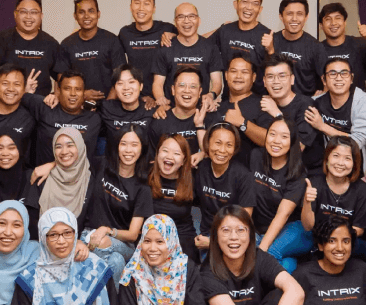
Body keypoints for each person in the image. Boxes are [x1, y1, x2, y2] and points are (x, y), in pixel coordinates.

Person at [82, 125, 153, 285]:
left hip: (123, 243)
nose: (128, 150)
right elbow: (72, 163)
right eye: (124, 144)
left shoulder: (142, 188)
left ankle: (84, 294)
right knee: (116, 261)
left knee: (105, 244)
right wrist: (49, 165)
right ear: (116, 146)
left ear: (142, 148)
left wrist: (107, 231)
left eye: (134, 145)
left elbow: (133, 234)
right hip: (89, 234)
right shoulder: (101, 165)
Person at [302, 136, 366, 269]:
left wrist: (336, 241)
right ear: (327, 159)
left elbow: (360, 229)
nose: (340, 163)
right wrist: (307, 202)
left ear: (354, 164)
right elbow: (307, 226)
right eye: (336, 156)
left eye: (347, 158)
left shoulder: (361, 189)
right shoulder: (314, 183)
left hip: (350, 242)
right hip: (317, 240)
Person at [249, 118, 308, 273]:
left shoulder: (298, 172)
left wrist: (262, 248)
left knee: (269, 253)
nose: (276, 141)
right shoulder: (256, 156)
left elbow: (283, 214)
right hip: (260, 227)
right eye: (272, 134)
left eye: (284, 136)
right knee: (286, 264)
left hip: (291, 227)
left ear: (293, 141)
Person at [303, 57, 366, 170]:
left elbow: (356, 143)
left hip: (359, 169)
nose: (338, 78)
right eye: (332, 74)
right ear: (324, 80)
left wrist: (322, 126)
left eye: (344, 73)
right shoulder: (316, 102)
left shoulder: (364, 102)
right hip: (330, 168)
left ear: (351, 78)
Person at [0, 0, 60, 98]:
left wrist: (56, 97)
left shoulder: (51, 43)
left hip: (40, 106)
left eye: (34, 12)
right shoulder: (1, 39)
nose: (28, 17)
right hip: (7, 106)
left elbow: (61, 75)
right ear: (15, 14)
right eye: (23, 12)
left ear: (41, 16)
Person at [193, 122, 256, 253]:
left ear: (235, 149)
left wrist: (213, 243)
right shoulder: (201, 168)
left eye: (229, 145)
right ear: (207, 144)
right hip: (206, 233)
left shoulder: (244, 176)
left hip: (233, 237)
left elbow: (244, 221)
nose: (222, 150)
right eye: (218, 143)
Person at [57, 0, 126, 107]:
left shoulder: (112, 40)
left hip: (109, 106)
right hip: (77, 108)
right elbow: (62, 80)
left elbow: (120, 77)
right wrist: (81, 94)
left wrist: (107, 107)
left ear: (98, 14)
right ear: (75, 16)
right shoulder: (67, 44)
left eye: (91, 11)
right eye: (81, 12)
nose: (86, 16)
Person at [206, 53, 275, 167]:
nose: (238, 76)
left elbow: (270, 141)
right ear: (226, 75)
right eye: (233, 71)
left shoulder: (264, 104)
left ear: (253, 77)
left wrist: (243, 123)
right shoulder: (218, 107)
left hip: (249, 176)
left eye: (244, 72)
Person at [24, 70, 102, 165]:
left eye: (78, 89)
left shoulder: (95, 118)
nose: (73, 93)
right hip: (47, 177)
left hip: (81, 178)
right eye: (67, 88)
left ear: (84, 93)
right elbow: (18, 99)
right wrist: (26, 91)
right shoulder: (45, 107)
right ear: (59, 91)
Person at [151, 3, 223, 105]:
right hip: (172, 111)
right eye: (181, 17)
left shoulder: (211, 48)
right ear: (175, 22)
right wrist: (161, 99)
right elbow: (157, 83)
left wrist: (212, 95)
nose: (186, 21)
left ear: (199, 21)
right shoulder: (165, 49)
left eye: (191, 16)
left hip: (202, 110)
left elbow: (217, 82)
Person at [117, 0, 177, 100]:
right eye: (137, 3)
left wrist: (175, 35)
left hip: (166, 98)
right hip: (138, 98)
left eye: (146, 3)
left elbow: (193, 41)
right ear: (130, 7)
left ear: (154, 8)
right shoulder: (125, 33)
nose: (141, 8)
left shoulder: (167, 28)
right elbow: (110, 52)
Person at [261, 0, 326, 97]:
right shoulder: (270, 41)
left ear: (306, 17)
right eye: (289, 14)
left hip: (305, 107)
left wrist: (320, 98)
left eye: (299, 14)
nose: (294, 19)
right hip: (274, 104)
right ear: (281, 16)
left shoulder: (316, 47)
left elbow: (326, 79)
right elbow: (264, 75)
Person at [27, 128, 93, 230]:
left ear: (80, 147)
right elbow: (31, 220)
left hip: (79, 241)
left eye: (70, 145)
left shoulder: (90, 178)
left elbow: (91, 222)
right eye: (58, 147)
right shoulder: (42, 177)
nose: (64, 152)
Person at [318, 2, 366, 100]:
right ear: (321, 25)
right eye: (328, 19)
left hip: (357, 106)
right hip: (328, 109)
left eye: (338, 18)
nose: (333, 23)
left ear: (345, 22)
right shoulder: (316, 49)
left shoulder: (359, 44)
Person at [210, 0, 270, 95]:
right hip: (228, 100)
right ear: (235, 4)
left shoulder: (267, 36)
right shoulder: (225, 31)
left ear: (260, 9)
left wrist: (271, 50)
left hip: (257, 103)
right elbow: (199, 45)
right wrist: (173, 34)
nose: (249, 7)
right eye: (245, 2)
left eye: (255, 4)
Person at [150, 134, 200, 262]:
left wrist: (203, 153)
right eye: (165, 151)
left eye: (177, 153)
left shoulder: (193, 179)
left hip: (182, 236)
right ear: (157, 154)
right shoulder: (145, 174)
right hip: (151, 236)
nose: (169, 156)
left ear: (184, 160)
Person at [257, 54, 316, 159]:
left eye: (282, 76)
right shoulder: (264, 103)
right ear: (264, 82)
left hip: (304, 170)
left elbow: (299, 148)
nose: (276, 81)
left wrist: (277, 114)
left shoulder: (306, 105)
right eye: (270, 77)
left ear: (292, 79)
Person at [146, 67, 211, 162]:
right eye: (182, 85)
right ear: (173, 90)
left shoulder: (210, 119)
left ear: (200, 92)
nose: (187, 90)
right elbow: (152, 162)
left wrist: (200, 126)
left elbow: (214, 157)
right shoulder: (160, 121)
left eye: (193, 86)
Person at [99, 65, 159, 147]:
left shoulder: (152, 110)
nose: (126, 88)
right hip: (114, 159)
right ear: (115, 89)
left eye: (131, 82)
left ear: (141, 86)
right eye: (120, 83)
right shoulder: (106, 108)